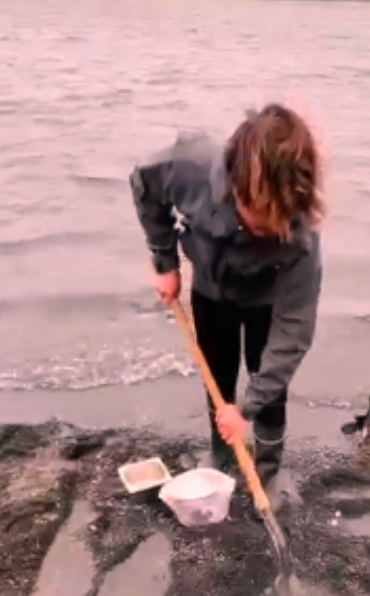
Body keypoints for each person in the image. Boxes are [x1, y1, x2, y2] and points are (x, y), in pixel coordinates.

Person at [129, 104, 325, 510]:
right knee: (216, 377)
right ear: (236, 185)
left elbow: (293, 331)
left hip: (267, 299)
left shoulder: (301, 239)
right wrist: (164, 262)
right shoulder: (186, 166)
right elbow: (145, 189)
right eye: (259, 221)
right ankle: (221, 458)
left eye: (276, 225)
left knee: (268, 385)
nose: (267, 230)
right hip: (210, 289)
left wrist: (248, 408)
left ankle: (269, 473)